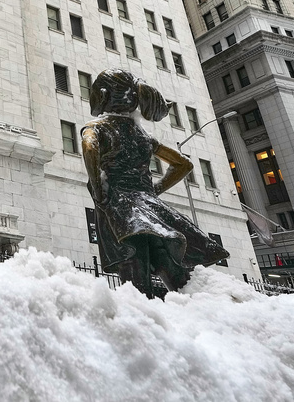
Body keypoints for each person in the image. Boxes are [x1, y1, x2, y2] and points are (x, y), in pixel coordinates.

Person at [81, 69, 229, 298]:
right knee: (168, 265)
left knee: (134, 271)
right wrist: (154, 191)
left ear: (101, 95)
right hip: (150, 207)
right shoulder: (142, 135)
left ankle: (148, 318)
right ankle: (202, 309)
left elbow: (90, 147)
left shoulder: (98, 128)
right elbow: (183, 165)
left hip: (124, 211)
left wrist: (99, 190)